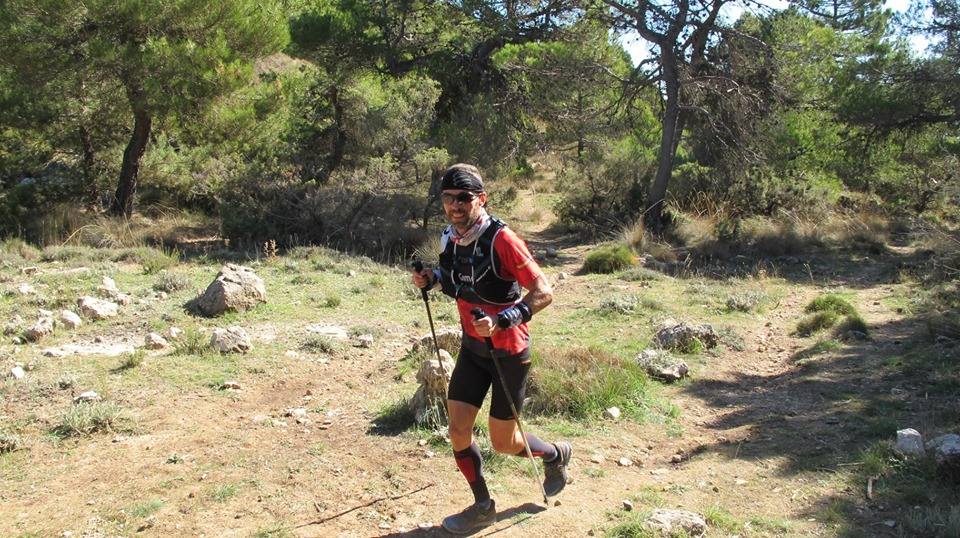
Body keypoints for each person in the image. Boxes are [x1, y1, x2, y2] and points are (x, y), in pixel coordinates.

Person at [412, 163, 572, 534]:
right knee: (457, 429)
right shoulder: (449, 237)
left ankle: (555, 454)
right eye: (448, 198)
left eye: (464, 198)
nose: (455, 206)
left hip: (509, 354)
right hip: (473, 349)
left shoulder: (502, 240)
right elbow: (455, 278)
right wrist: (431, 278)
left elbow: (543, 291)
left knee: (505, 443)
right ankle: (482, 505)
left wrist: (504, 319)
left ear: (480, 199)